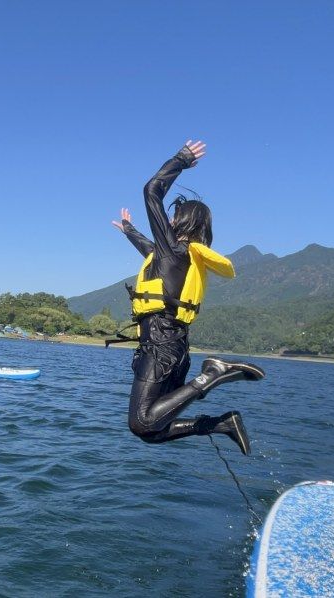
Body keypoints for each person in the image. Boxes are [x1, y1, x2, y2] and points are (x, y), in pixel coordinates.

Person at [111, 140, 265, 455]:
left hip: (160, 345)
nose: (168, 221)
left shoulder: (175, 251)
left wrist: (181, 159)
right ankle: (221, 424)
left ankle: (213, 374)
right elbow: (149, 249)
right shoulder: (179, 257)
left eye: (175, 216)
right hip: (173, 345)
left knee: (141, 422)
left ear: (183, 222)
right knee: (152, 432)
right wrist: (129, 230)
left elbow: (151, 190)